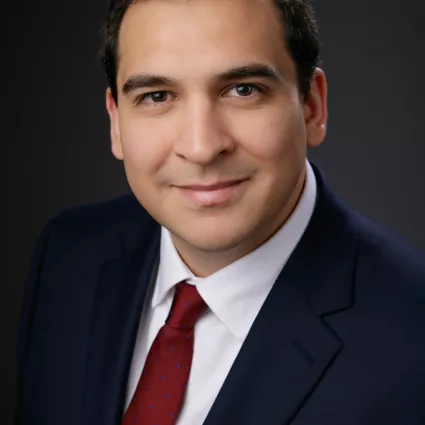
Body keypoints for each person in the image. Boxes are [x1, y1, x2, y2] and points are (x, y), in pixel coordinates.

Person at [16, 0, 425, 424]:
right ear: (116, 123)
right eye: (157, 96)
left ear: (312, 107)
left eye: (243, 89)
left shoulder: (413, 342)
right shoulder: (67, 254)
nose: (201, 147)